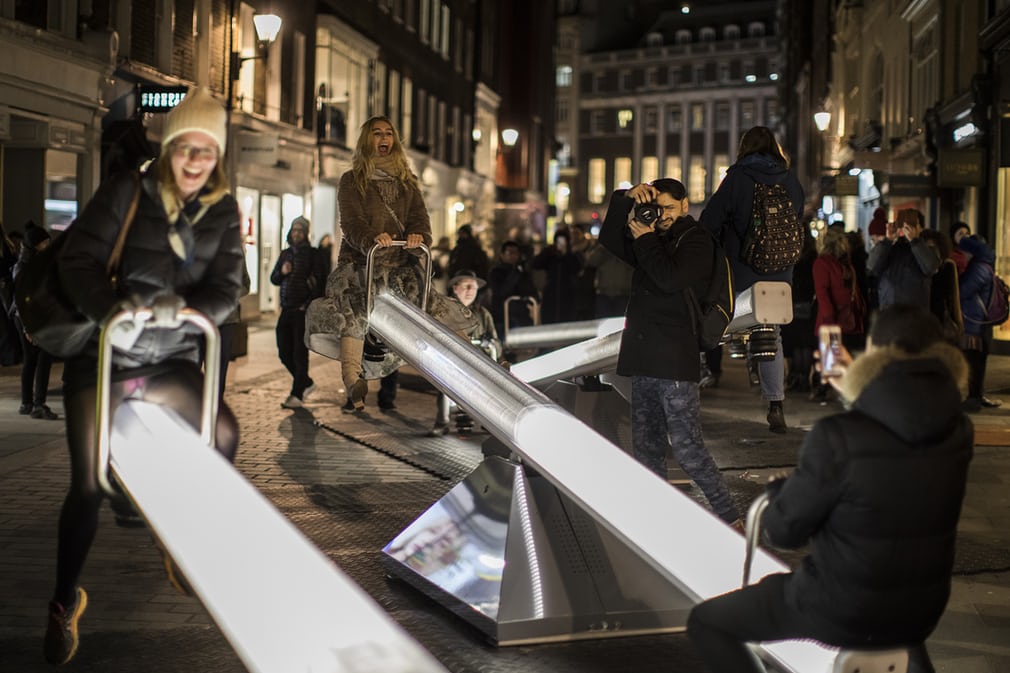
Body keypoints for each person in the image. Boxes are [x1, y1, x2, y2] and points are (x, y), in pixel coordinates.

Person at [44, 86, 244, 665]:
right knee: (88, 483)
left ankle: (179, 536)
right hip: (105, 354)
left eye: (207, 151)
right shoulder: (128, 190)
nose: (194, 161)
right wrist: (114, 314)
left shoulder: (223, 209)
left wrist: (194, 314)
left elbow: (229, 284)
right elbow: (76, 261)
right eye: (186, 147)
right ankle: (62, 603)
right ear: (169, 146)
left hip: (169, 358)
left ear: (218, 156)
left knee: (223, 433)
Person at [687, 304, 973, 673]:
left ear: (874, 355)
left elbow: (783, 532)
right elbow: (900, 436)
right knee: (898, 625)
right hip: (921, 611)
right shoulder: (959, 432)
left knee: (708, 622)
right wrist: (858, 390)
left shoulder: (837, 437)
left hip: (840, 607)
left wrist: (779, 496)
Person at [599, 178, 740, 527]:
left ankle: (731, 518)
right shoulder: (654, 236)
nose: (660, 215)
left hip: (675, 358)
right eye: (655, 207)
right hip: (646, 355)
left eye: (668, 208)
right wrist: (624, 200)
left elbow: (668, 278)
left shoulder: (698, 241)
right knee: (646, 448)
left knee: (688, 448)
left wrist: (645, 238)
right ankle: (654, 521)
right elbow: (610, 240)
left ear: (685, 205)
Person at [320, 115, 432, 411]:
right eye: (376, 133)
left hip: (398, 264)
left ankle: (483, 365)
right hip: (361, 263)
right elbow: (351, 222)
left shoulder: (408, 183)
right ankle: (353, 379)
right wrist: (372, 238)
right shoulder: (351, 180)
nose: (383, 139)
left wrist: (418, 237)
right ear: (366, 140)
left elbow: (419, 218)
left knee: (434, 307)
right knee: (356, 312)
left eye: (388, 134)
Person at [699, 126, 804, 433]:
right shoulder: (790, 179)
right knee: (772, 331)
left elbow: (710, 221)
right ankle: (775, 403)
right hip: (781, 272)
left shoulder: (737, 178)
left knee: (720, 321)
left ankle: (698, 384)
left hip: (742, 269)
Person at [428, 270, 501, 436]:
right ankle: (442, 421)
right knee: (444, 383)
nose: (470, 291)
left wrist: (488, 344)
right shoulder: (443, 311)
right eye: (466, 286)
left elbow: (496, 342)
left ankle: (487, 421)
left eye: (474, 288)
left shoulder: (483, 315)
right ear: (455, 288)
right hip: (451, 362)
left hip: (478, 364)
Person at [270, 216, 326, 409]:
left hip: (302, 311)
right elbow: (274, 279)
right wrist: (283, 272)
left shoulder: (313, 254)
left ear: (306, 233)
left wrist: (308, 304)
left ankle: (297, 394)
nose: (296, 233)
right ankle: (306, 383)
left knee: (299, 354)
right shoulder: (285, 254)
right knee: (284, 351)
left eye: (300, 230)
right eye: (294, 230)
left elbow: (320, 283)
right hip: (286, 309)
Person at [810, 226, 866, 402]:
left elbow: (823, 294)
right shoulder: (845, 263)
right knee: (844, 356)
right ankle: (847, 391)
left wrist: (828, 322)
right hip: (850, 319)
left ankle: (825, 390)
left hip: (832, 319)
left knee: (830, 359)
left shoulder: (822, 263)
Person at [12, 221, 58, 418]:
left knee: (31, 360)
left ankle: (27, 403)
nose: (48, 244)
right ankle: (38, 404)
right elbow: (22, 300)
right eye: (44, 242)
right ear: (35, 244)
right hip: (28, 319)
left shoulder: (38, 263)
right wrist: (28, 328)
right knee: (42, 359)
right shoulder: (23, 268)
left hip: (36, 318)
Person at [957, 234, 1002, 412]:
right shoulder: (982, 265)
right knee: (975, 361)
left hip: (974, 324)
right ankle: (975, 396)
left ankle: (974, 399)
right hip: (976, 322)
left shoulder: (978, 268)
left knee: (973, 361)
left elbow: (961, 292)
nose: (964, 254)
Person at [866, 207, 940, 309]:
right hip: (889, 314)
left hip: (916, 316)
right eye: (903, 223)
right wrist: (888, 240)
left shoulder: (927, 249)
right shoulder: (889, 248)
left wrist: (914, 241)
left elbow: (931, 267)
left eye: (913, 224)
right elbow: (871, 266)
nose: (908, 228)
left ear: (921, 228)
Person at [488, 240, 538, 341]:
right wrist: (515, 273)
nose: (513, 256)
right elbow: (501, 291)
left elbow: (532, 293)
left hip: (522, 316)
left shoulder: (523, 272)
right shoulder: (496, 272)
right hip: (503, 317)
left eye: (516, 253)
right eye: (510, 253)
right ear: (502, 255)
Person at [920, 229, 963, 345]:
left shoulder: (947, 266)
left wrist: (957, 322)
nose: (930, 252)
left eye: (933, 248)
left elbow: (953, 297)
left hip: (938, 320)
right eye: (926, 248)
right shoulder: (916, 266)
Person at [531, 228, 583, 324]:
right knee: (549, 321)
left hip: (567, 294)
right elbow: (536, 264)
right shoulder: (550, 254)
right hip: (551, 293)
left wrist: (566, 254)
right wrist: (547, 252)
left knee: (567, 321)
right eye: (558, 240)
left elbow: (576, 268)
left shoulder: (573, 255)